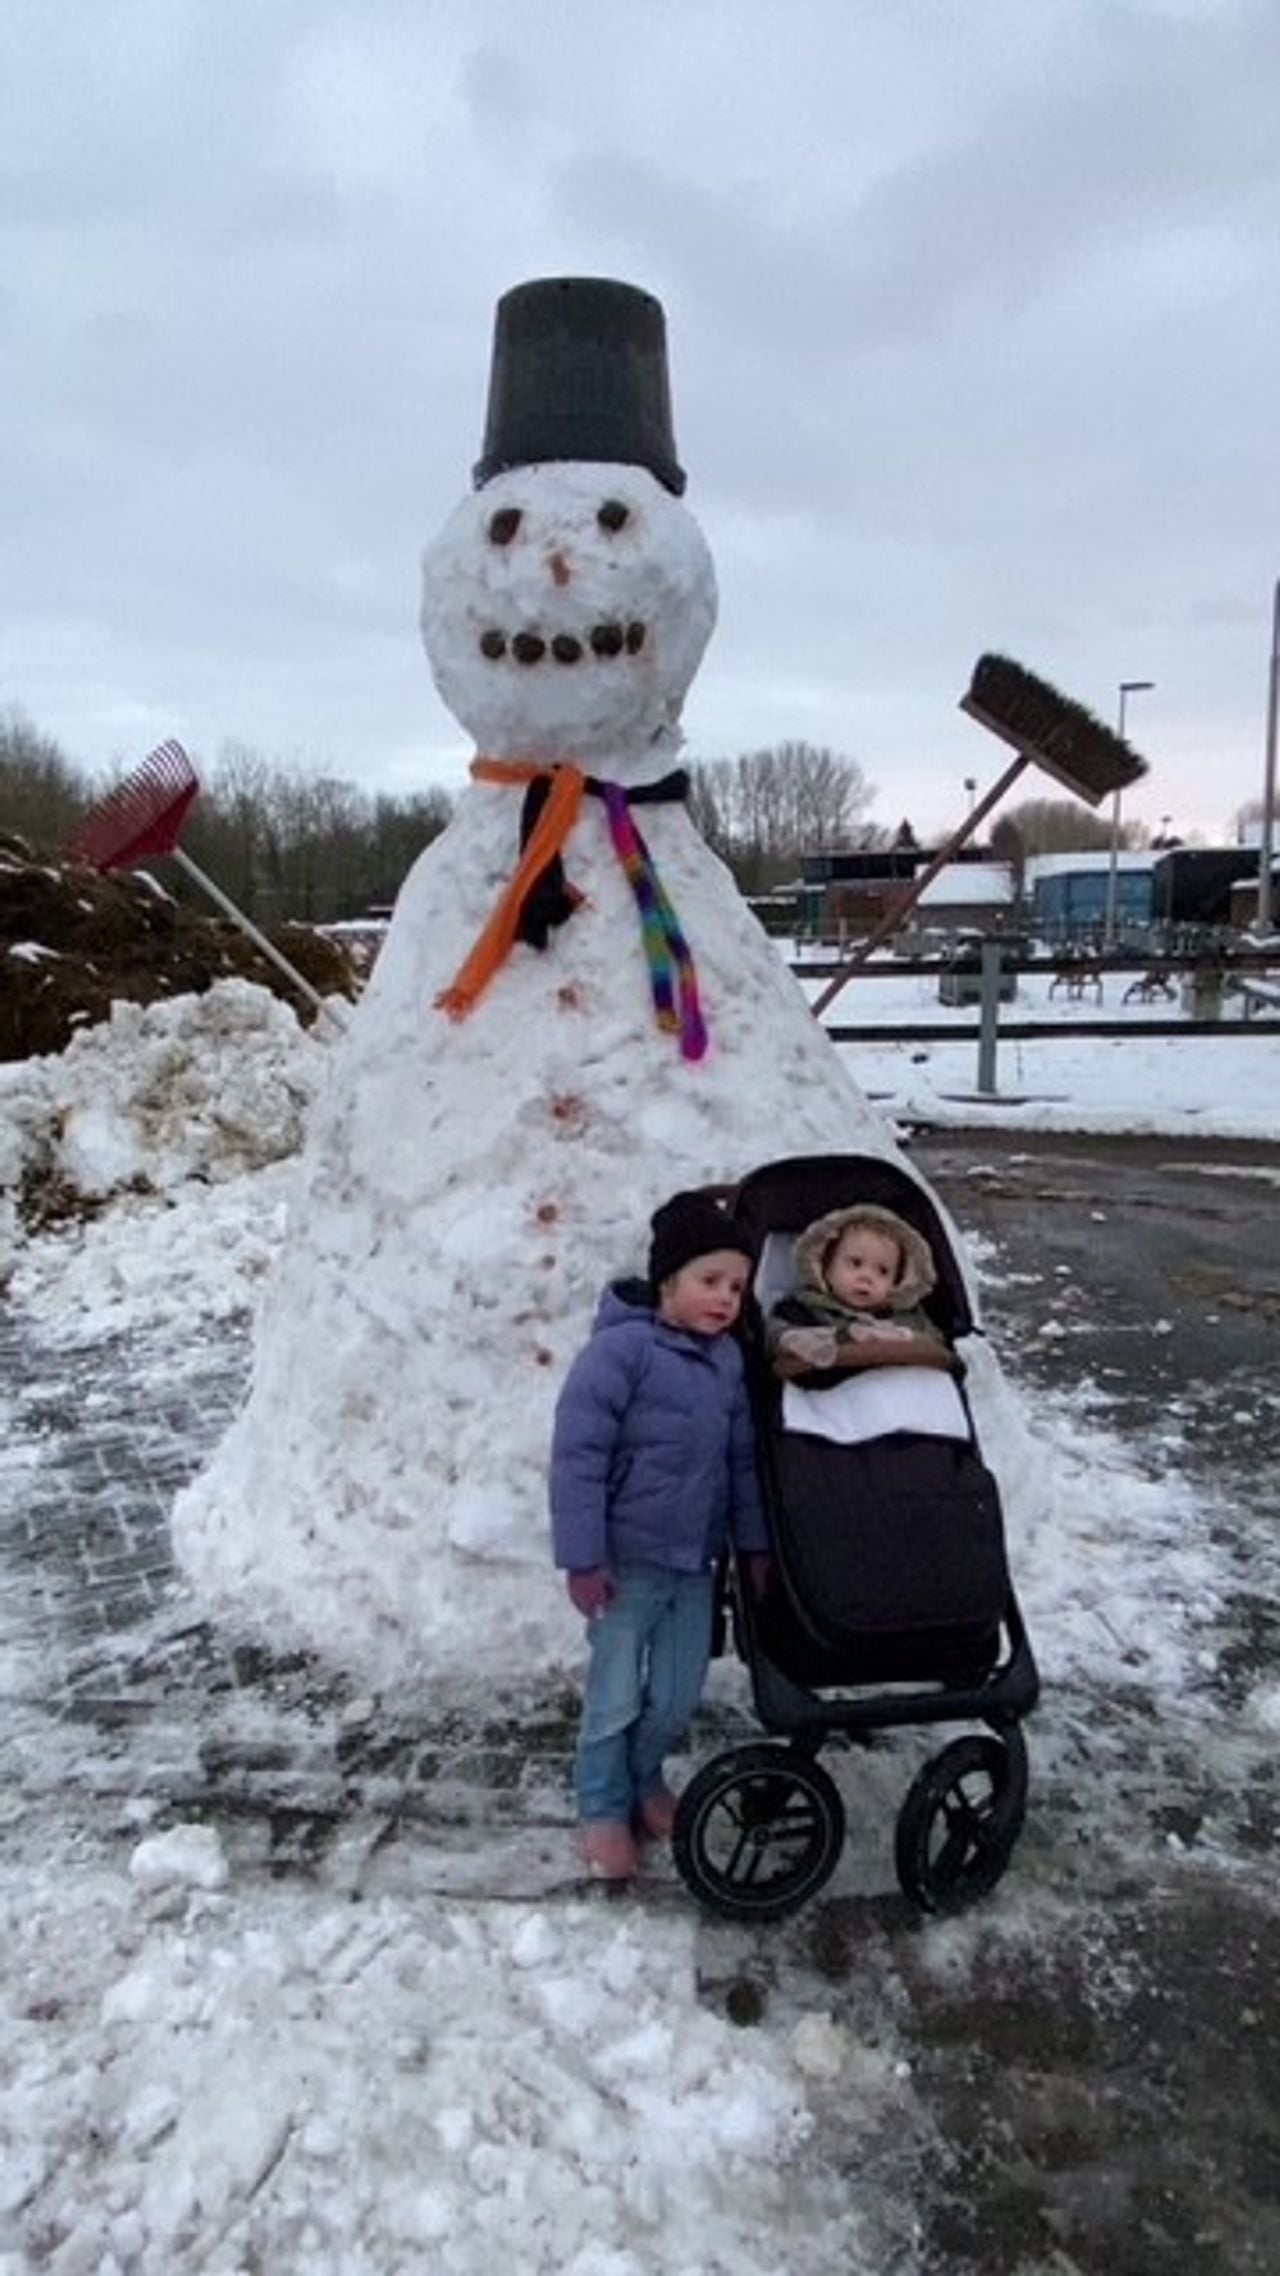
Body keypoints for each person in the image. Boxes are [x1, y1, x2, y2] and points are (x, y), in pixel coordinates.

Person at [550, 1189, 769, 1882]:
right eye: (710, 1281)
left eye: (737, 1287)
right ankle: (603, 1807)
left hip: (694, 1564)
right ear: (667, 1281)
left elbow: (740, 1463)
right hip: (625, 1565)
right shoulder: (619, 1353)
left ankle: (644, 1780)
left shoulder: (729, 1361)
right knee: (614, 1694)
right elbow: (577, 1459)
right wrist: (583, 1558)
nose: (725, 1298)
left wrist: (754, 1543)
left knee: (676, 1693)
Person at [768, 1202, 953, 1381]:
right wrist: (797, 1339)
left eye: (882, 1271)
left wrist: (904, 1336)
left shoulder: (908, 1316)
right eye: (855, 1263)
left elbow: (937, 1343)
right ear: (826, 1268)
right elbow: (774, 1334)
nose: (866, 1278)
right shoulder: (804, 1307)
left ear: (896, 1282)